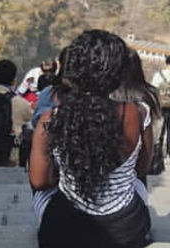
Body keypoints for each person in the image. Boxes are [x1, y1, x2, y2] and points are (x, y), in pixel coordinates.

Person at [29, 30, 152, 248]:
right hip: (126, 231)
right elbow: (141, 168)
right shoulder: (138, 113)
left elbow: (39, 181)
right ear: (117, 72)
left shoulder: (52, 118)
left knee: (42, 191)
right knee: (137, 182)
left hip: (62, 232)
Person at [111, 49, 163, 179]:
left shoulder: (111, 92)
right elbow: (157, 126)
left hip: (113, 159)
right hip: (139, 159)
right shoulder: (150, 93)